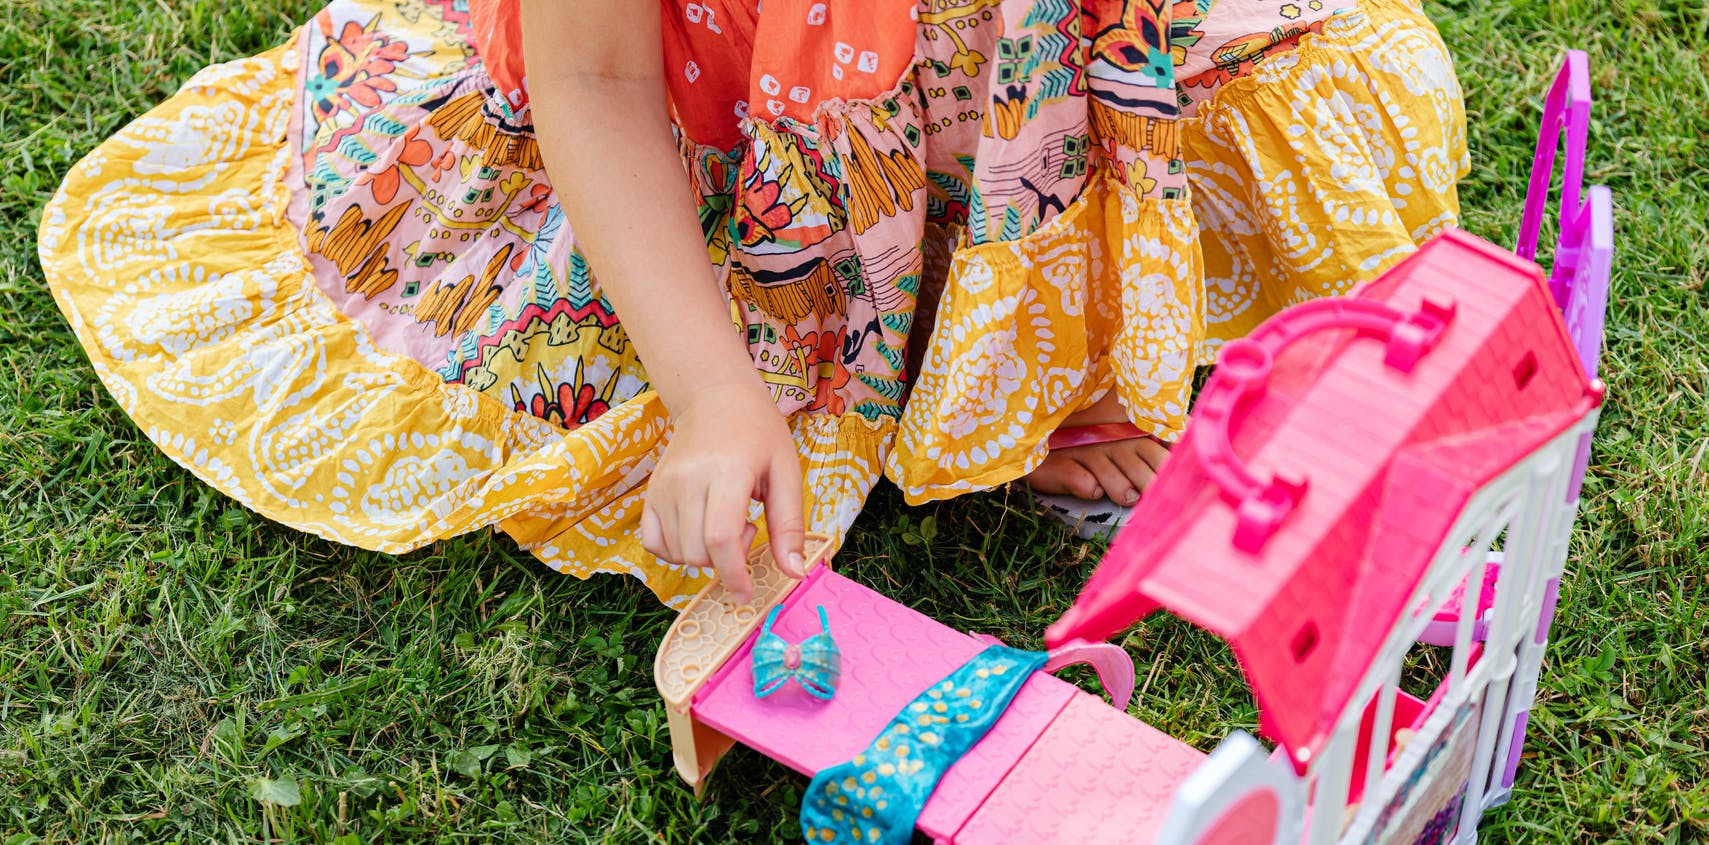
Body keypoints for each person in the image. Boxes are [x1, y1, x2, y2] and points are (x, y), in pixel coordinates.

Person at [39, 0, 1468, 605]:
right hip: (730, 148)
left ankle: (1037, 331)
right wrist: (719, 396)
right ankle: (923, 326)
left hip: (1000, 83)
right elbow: (593, 86)